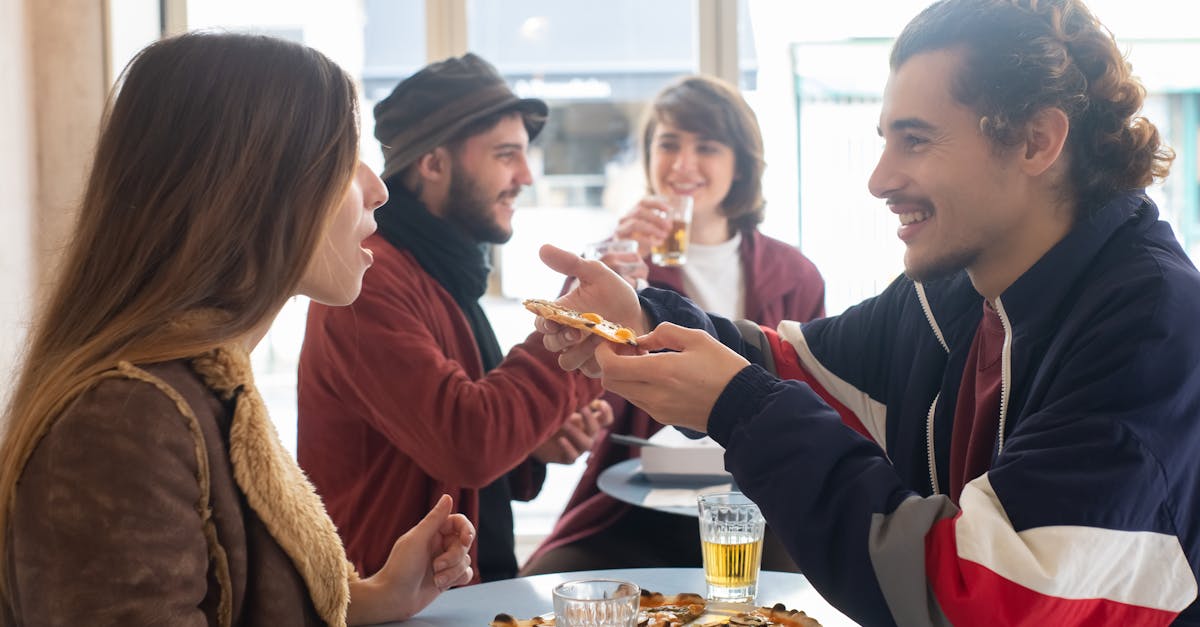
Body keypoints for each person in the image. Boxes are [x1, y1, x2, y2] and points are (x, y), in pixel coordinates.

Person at [533, 0, 1200, 624]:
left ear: (1035, 141)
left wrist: (737, 406)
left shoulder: (1150, 330)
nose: (878, 178)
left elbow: (977, 595)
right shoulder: (959, 290)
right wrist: (645, 318)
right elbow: (793, 364)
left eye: (914, 140)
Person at [0, 32, 474, 627]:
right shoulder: (125, 418)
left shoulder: (205, 385)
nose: (377, 189)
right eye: (343, 157)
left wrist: (376, 598)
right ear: (258, 186)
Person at [297, 53, 609, 584]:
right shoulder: (367, 281)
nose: (526, 176)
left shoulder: (440, 268)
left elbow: (442, 442)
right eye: (506, 154)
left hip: (451, 594)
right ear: (434, 164)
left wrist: (532, 444)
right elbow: (468, 442)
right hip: (392, 608)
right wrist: (578, 321)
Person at [522, 75, 825, 574]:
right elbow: (558, 378)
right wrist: (614, 268)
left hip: (763, 504)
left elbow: (816, 393)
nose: (683, 165)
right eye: (668, 144)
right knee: (546, 579)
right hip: (637, 502)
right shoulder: (620, 262)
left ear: (741, 164)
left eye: (706, 146)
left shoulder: (794, 274)